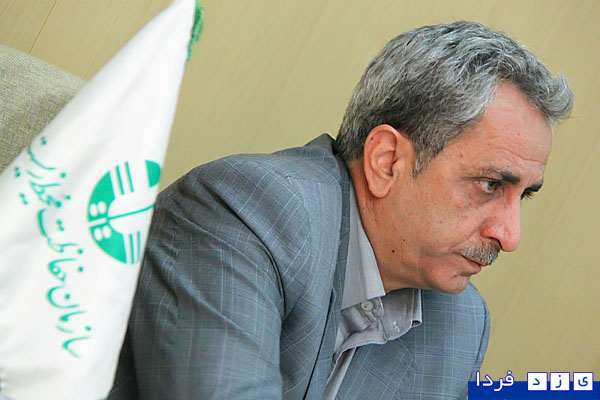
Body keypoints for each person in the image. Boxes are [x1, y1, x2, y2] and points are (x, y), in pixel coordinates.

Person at [109, 21, 573, 399]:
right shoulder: (249, 213)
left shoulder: (459, 323)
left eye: (523, 196)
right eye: (490, 185)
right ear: (386, 162)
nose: (510, 236)